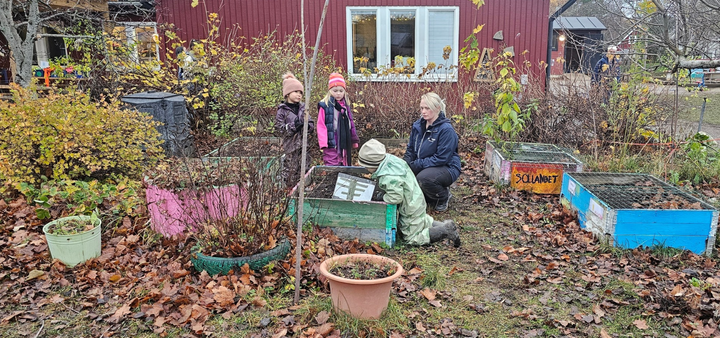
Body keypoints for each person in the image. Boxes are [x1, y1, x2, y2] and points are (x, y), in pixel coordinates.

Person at [359, 139, 460, 247]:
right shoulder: (390, 161)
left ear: (373, 165)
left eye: (365, 166)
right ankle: (445, 226)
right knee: (421, 220)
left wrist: (383, 197)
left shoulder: (388, 177)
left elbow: (395, 197)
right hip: (415, 197)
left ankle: (445, 231)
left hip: (410, 206)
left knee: (412, 237)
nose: (365, 168)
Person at [403, 92, 462, 212]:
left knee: (424, 178)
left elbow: (441, 158)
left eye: (427, 108)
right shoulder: (417, 126)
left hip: (446, 167)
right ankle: (427, 197)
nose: (423, 111)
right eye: (421, 108)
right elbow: (410, 150)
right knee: (402, 174)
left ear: (437, 108)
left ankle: (443, 197)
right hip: (425, 164)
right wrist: (404, 164)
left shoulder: (446, 130)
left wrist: (416, 165)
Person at [276, 72, 315, 188]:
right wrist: (294, 126)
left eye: (300, 93)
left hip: (304, 145)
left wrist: (308, 126)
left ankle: (305, 189)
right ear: (288, 93)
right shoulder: (282, 111)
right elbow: (280, 129)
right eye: (296, 92)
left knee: (305, 168)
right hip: (291, 146)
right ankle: (290, 191)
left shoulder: (303, 108)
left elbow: (311, 123)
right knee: (291, 170)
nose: (299, 95)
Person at [317, 73, 359, 166]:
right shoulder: (325, 105)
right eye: (335, 90)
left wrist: (354, 140)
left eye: (341, 90)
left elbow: (350, 123)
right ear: (330, 91)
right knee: (331, 160)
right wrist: (323, 142)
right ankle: (333, 177)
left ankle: (342, 177)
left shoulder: (345, 106)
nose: (338, 93)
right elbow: (321, 125)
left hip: (344, 137)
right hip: (331, 139)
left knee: (344, 160)